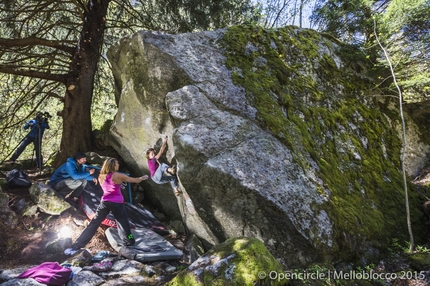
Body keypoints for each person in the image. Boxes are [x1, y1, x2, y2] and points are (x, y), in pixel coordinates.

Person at [64, 157, 148, 255]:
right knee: (123, 224)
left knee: (94, 224)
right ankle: (129, 241)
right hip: (117, 203)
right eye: (116, 163)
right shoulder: (118, 175)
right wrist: (142, 178)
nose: (118, 165)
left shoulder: (101, 176)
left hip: (104, 203)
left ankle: (76, 246)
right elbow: (135, 180)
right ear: (112, 165)